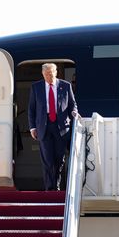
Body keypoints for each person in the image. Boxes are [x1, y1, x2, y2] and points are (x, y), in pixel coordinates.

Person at [28, 63, 78, 191]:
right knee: (47, 159)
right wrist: (32, 127)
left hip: (61, 127)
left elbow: (72, 105)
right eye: (46, 75)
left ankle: (56, 184)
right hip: (43, 127)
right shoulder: (36, 87)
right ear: (42, 74)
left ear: (56, 73)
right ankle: (50, 188)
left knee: (59, 159)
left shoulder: (65, 86)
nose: (48, 77)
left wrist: (74, 113)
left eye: (50, 74)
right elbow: (32, 109)